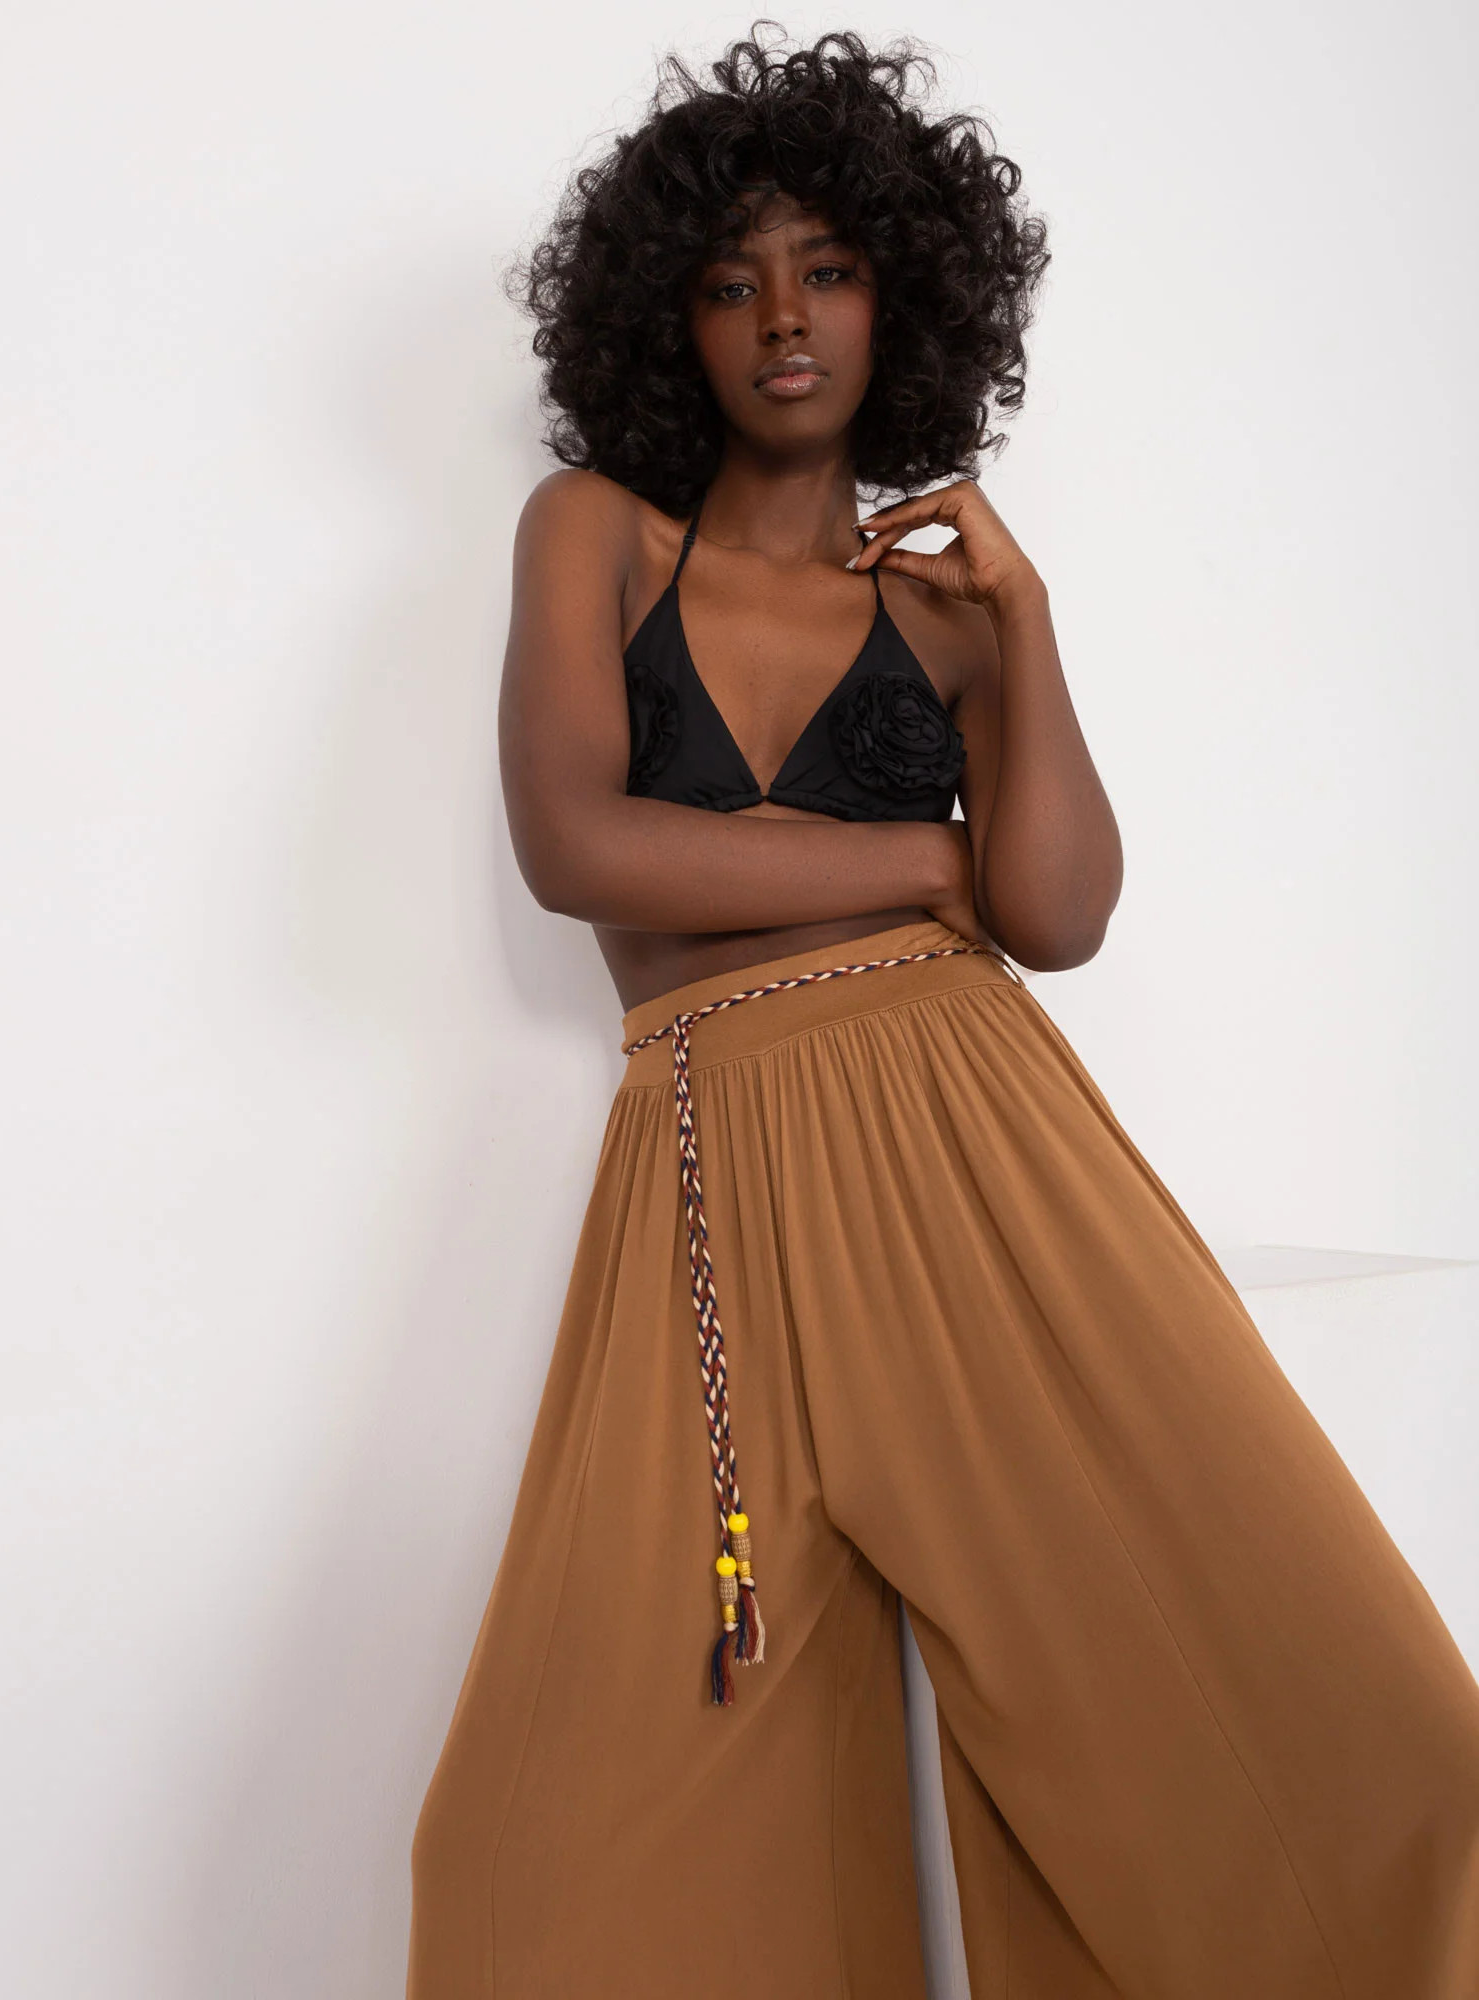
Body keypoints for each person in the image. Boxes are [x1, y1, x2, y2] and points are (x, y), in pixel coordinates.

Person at [406, 27, 1479, 1999]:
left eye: (827, 268)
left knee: (1284, 1696)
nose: (782, 318)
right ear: (667, 322)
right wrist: (921, 857)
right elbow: (578, 843)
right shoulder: (598, 534)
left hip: (979, 1146)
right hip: (708, 1169)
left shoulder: (949, 610)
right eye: (731, 280)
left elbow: (1053, 914)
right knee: (536, 1861)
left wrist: (1027, 624)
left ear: (902, 297)